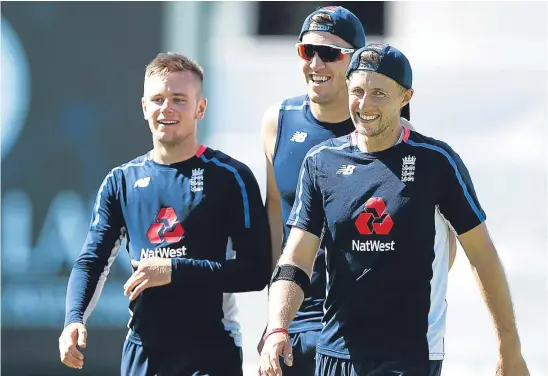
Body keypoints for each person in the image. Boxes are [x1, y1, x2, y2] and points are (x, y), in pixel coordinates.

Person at [258, 44, 530, 376]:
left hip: (410, 353)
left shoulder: (436, 162)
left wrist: (508, 348)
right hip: (336, 352)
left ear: (405, 97)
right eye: (357, 91)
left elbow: (482, 256)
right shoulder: (321, 161)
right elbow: (296, 256)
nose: (364, 104)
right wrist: (277, 328)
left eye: (379, 94)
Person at [259, 6, 455, 376]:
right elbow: (277, 221)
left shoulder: (389, 132)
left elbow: (439, 242)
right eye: (307, 51)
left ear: (355, 63)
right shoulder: (278, 120)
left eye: (330, 53)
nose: (316, 62)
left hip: (352, 327)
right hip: (296, 317)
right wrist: (275, 321)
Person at [58, 52, 271, 376]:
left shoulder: (230, 177)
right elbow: (92, 260)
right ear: (144, 106)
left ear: (200, 108)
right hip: (143, 352)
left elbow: (255, 272)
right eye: (157, 99)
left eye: (178, 99)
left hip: (210, 350)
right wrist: (74, 319)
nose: (166, 109)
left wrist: (174, 269)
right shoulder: (121, 181)